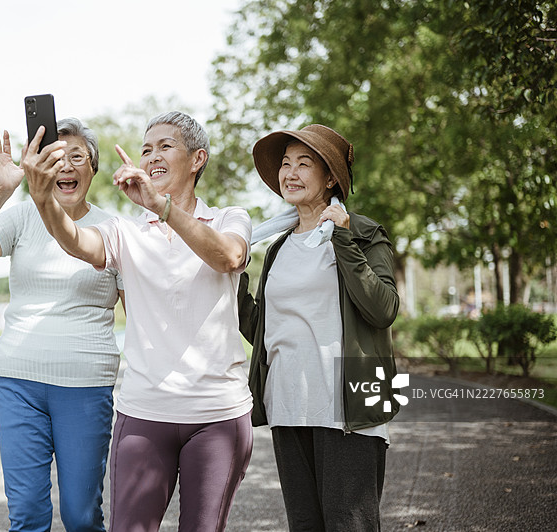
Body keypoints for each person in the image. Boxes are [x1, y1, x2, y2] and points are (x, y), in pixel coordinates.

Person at [23, 111, 253, 532]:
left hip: (217, 414)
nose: (152, 156)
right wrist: (43, 200)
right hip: (145, 412)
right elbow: (77, 242)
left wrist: (162, 207)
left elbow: (228, 257)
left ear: (197, 158)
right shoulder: (124, 231)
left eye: (165, 146)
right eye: (146, 149)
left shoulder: (229, 218)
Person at [0, 118, 124, 531]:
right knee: (26, 515)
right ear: (37, 167)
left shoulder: (116, 230)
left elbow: (140, 309)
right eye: (53, 157)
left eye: (76, 157)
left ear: (92, 169)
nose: (64, 166)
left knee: (81, 517)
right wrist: (2, 190)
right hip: (18, 380)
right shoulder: (23, 218)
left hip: (85, 385)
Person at [238, 124, 400, 531]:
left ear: (330, 177)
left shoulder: (363, 233)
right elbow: (260, 327)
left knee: (350, 523)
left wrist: (343, 239)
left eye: (303, 163)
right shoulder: (276, 247)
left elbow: (383, 309)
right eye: (285, 164)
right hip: (288, 401)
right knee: (305, 524)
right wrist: (233, 274)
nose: (289, 172)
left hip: (348, 402)